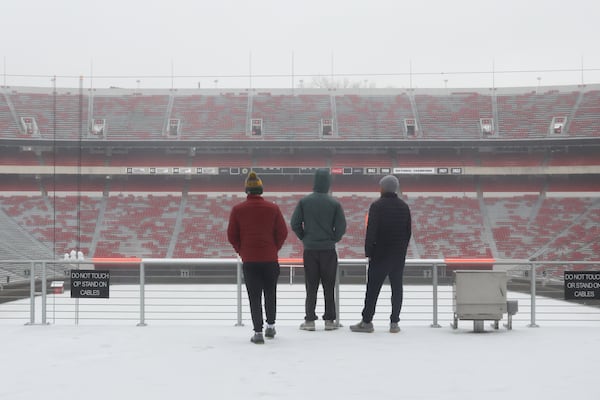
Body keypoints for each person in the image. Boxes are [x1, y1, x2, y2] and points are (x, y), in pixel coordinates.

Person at [227, 171, 288, 344]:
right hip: (270, 259)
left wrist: (242, 250)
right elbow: (282, 232)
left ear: (246, 190)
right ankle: (270, 326)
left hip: (250, 261)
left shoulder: (238, 210)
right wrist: (274, 248)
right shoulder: (273, 208)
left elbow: (231, 235)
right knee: (270, 293)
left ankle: (258, 332)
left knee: (254, 297)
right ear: (261, 189)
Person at [350, 174, 411, 333]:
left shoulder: (377, 206)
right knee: (397, 289)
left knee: (372, 290)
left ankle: (367, 321)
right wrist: (401, 251)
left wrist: (369, 252)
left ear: (383, 188)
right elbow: (407, 232)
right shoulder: (404, 207)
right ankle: (394, 323)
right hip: (398, 256)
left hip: (380, 254)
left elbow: (372, 232)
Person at [291, 168, 346, 331]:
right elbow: (341, 227)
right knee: (329, 286)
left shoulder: (304, 202)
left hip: (310, 250)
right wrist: (333, 239)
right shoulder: (335, 203)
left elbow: (295, 224)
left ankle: (309, 320)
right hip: (328, 250)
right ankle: (329, 321)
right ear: (328, 183)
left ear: (314, 182)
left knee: (311, 286)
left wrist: (305, 238)